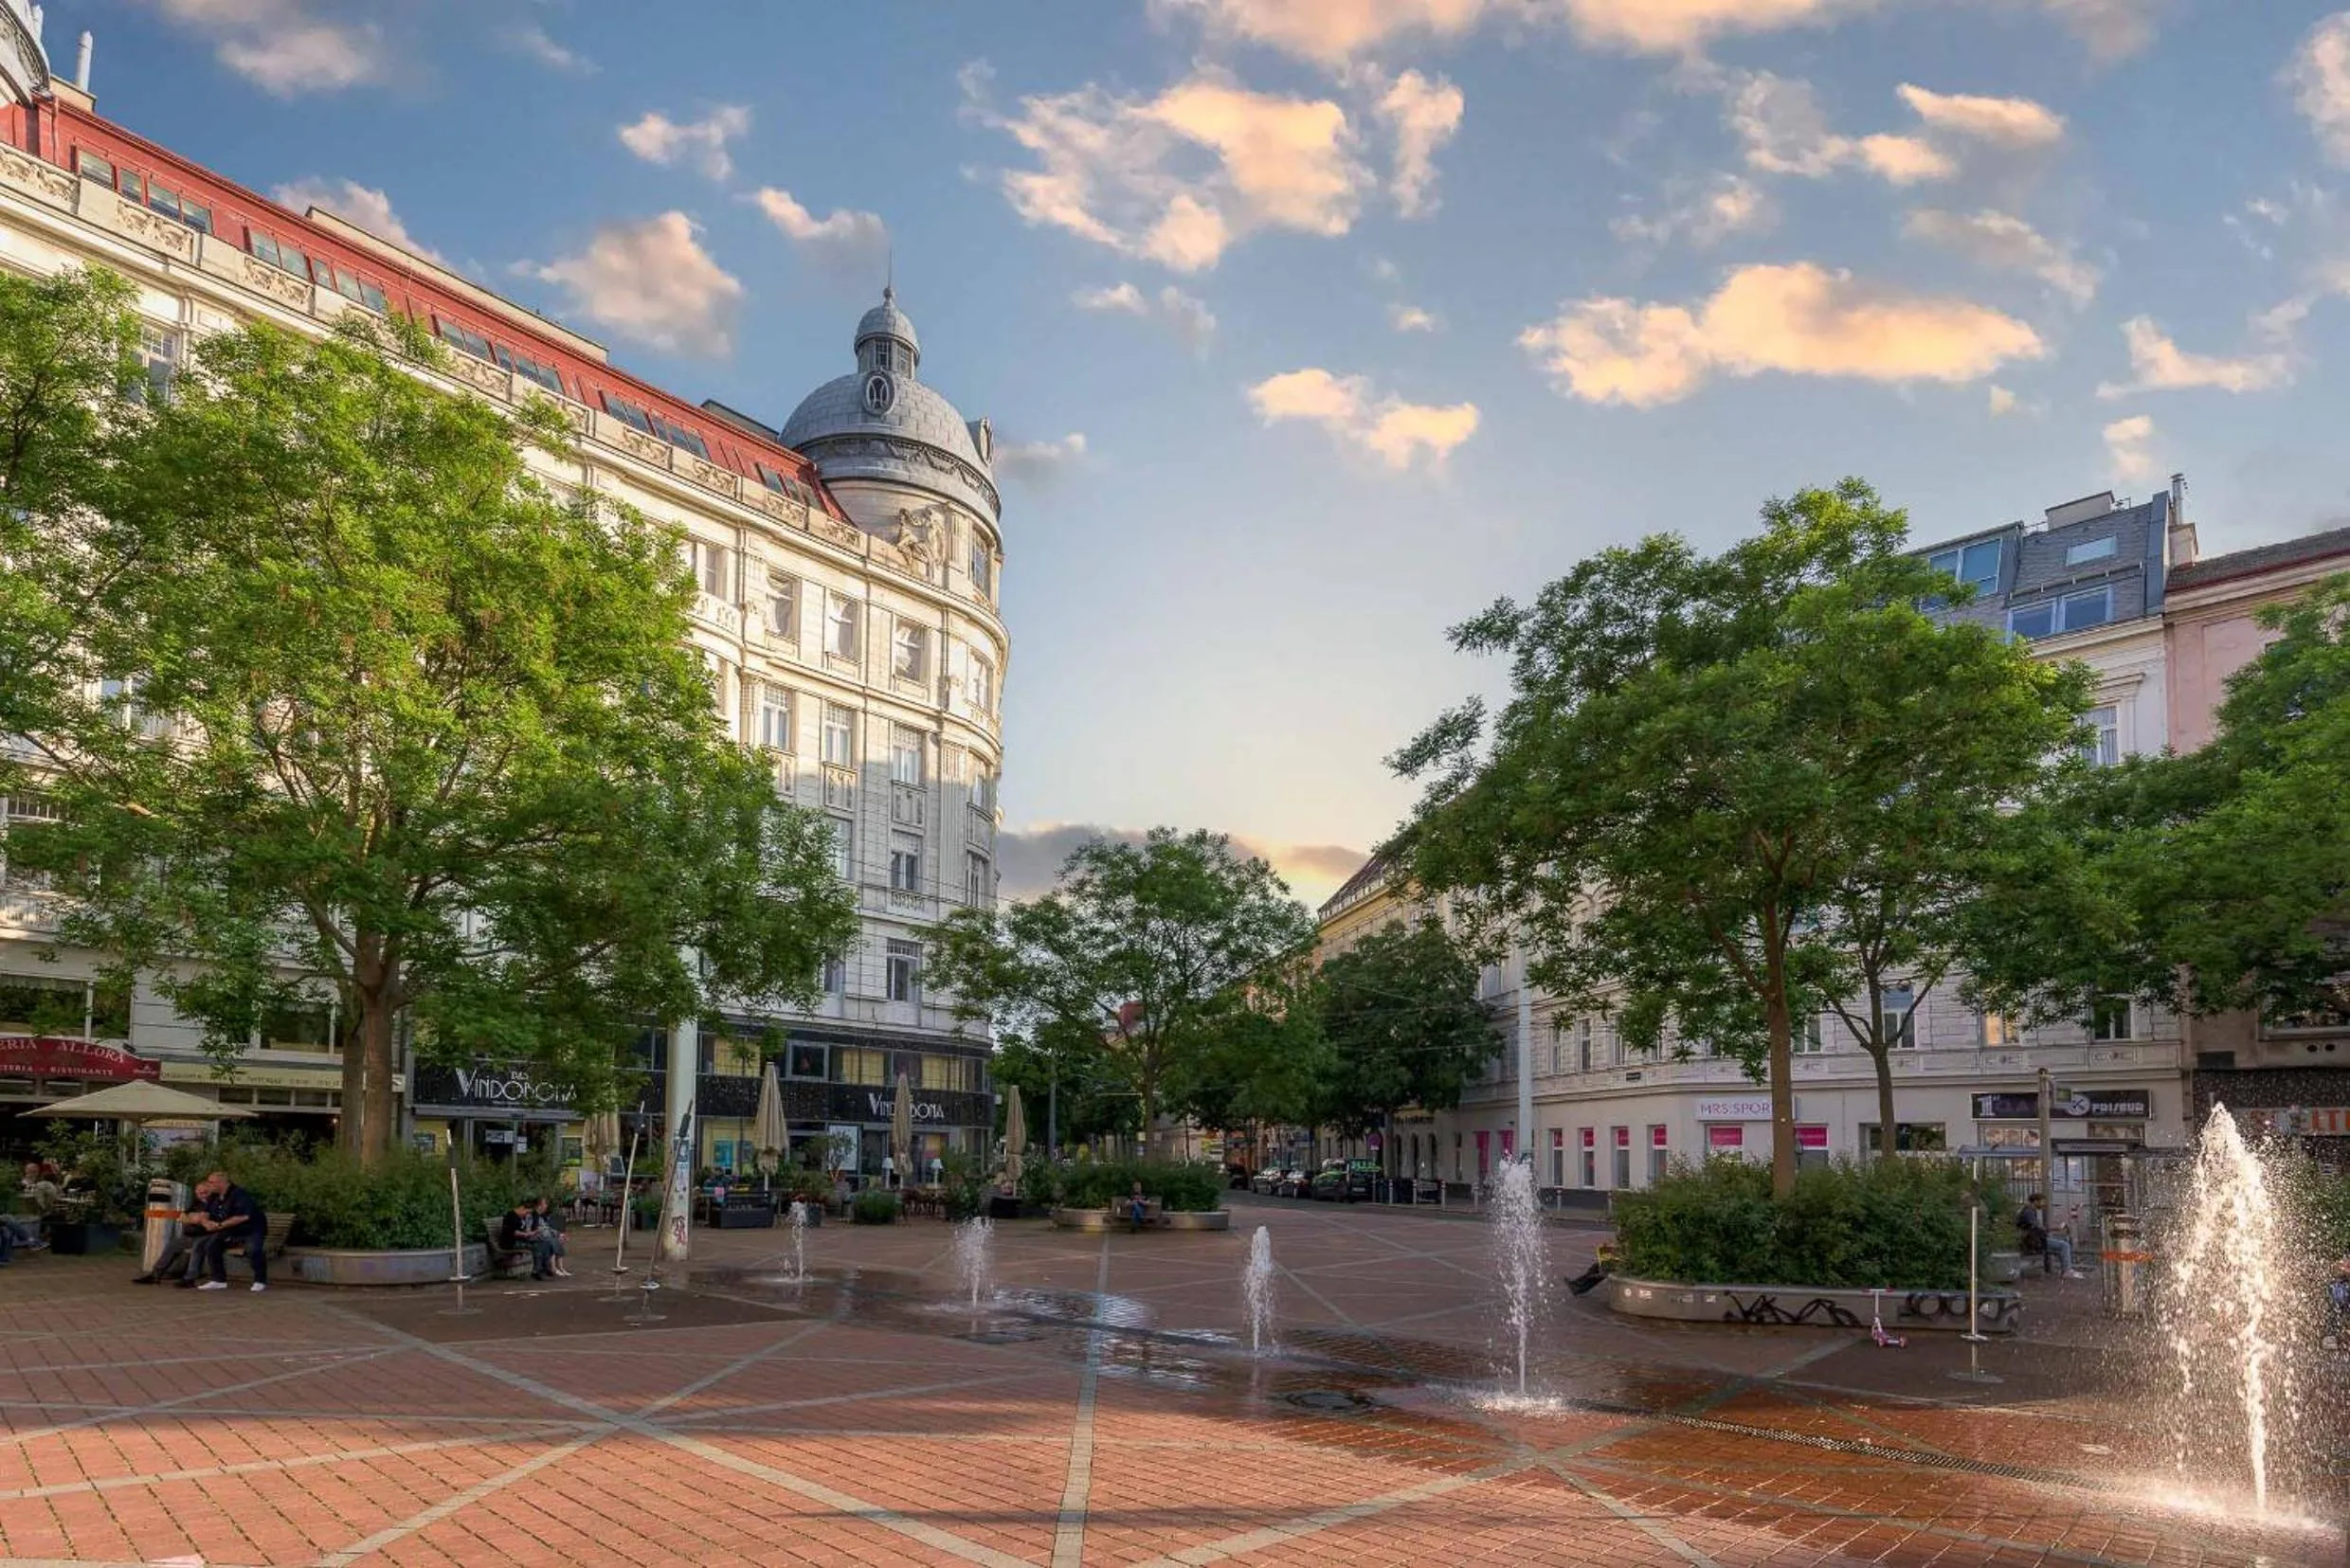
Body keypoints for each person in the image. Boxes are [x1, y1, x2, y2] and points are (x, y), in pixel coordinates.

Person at [134, 1176, 224, 1285]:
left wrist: (194, 1218)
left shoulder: (215, 1203)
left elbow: (204, 1219)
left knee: (197, 1247)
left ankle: (189, 1278)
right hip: (191, 1236)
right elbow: (182, 1217)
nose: (202, 1195)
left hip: (207, 1236)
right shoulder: (197, 1203)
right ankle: (156, 1275)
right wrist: (195, 1218)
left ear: (211, 1192)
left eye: (205, 1192)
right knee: (173, 1244)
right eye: (199, 1193)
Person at [192, 1171, 268, 1292]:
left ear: (222, 1183)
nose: (209, 1185)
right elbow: (204, 1214)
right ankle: (218, 1280)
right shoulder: (214, 1196)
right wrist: (207, 1223)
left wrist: (219, 1225)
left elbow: (243, 1217)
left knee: (254, 1249)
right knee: (212, 1245)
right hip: (231, 1230)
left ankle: (260, 1281)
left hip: (251, 1229)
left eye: (212, 1182)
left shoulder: (240, 1195)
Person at [2016, 1193, 2083, 1279]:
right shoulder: (2029, 1212)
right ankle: (2067, 1271)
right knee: (2064, 1245)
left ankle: (2066, 1269)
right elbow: (2037, 1227)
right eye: (2042, 1202)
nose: (2043, 1204)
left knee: (2060, 1244)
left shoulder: (2027, 1210)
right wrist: (2055, 1229)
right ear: (2036, 1201)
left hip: (2034, 1239)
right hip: (2034, 1241)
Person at [500, 1197, 557, 1280]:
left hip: (521, 1240)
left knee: (546, 1243)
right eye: (527, 1212)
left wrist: (533, 1233)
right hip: (511, 1242)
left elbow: (525, 1229)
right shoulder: (511, 1216)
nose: (527, 1214)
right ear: (522, 1208)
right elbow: (514, 1233)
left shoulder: (521, 1217)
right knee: (537, 1246)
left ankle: (546, 1269)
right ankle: (537, 1271)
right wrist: (529, 1234)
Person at [532, 1197, 572, 1278]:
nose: (546, 1206)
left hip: (546, 1235)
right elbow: (537, 1231)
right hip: (539, 1237)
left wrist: (559, 1234)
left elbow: (548, 1228)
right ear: (539, 1206)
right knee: (552, 1242)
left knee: (559, 1240)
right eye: (545, 1204)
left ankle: (560, 1267)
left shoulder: (542, 1216)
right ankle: (553, 1268)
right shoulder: (534, 1216)